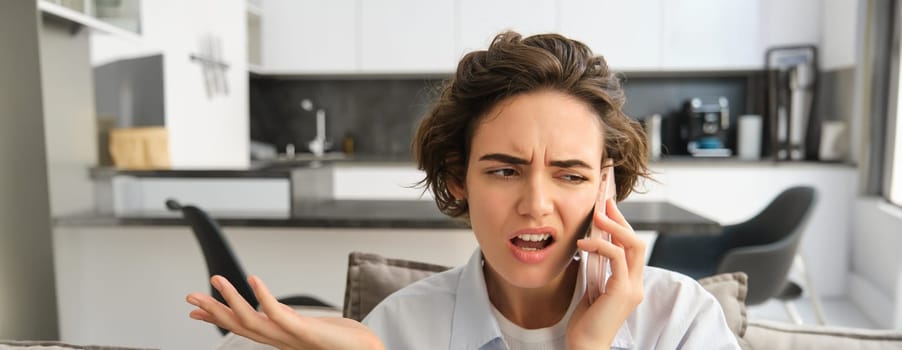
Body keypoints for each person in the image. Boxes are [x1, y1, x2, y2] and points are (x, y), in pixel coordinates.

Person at [186, 31, 741, 350]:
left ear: (606, 185)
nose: (536, 203)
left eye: (570, 174)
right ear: (458, 177)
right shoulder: (397, 330)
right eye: (504, 170)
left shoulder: (680, 321)